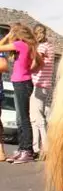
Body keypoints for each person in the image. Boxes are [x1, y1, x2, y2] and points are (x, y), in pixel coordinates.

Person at [0, 24, 39, 164]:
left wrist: (6, 36)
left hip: (22, 83)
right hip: (21, 82)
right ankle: (22, 148)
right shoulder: (26, 46)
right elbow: (38, 63)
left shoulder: (20, 44)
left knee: (23, 118)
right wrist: (29, 70)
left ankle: (27, 150)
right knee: (20, 118)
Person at [31, 24, 55, 160]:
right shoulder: (50, 46)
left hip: (38, 84)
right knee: (35, 117)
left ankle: (45, 148)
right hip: (46, 85)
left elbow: (37, 63)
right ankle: (36, 147)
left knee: (38, 118)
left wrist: (28, 71)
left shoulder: (41, 47)